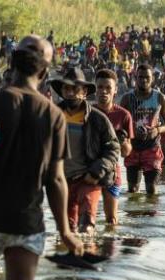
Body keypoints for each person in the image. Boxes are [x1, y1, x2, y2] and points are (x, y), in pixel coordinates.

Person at [0, 35, 84, 280]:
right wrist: (65, 231)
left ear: (12, 63)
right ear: (44, 72)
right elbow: (56, 179)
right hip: (26, 221)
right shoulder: (54, 115)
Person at [52, 67, 121, 233]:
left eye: (75, 89)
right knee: (66, 230)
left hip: (88, 179)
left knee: (87, 226)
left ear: (84, 92)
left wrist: (97, 171)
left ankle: (90, 255)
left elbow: (113, 148)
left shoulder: (97, 119)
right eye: (66, 89)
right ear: (61, 91)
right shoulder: (51, 116)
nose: (70, 93)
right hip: (62, 181)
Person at [120, 63, 165, 195]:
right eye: (140, 77)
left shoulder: (160, 98)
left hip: (152, 148)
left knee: (151, 190)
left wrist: (158, 130)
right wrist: (129, 131)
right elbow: (121, 124)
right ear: (135, 78)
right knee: (132, 191)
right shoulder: (127, 99)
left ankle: (152, 215)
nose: (144, 80)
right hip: (133, 148)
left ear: (152, 79)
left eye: (147, 77)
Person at [93, 68, 134, 226]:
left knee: (111, 220)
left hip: (112, 171)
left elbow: (126, 153)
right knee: (87, 218)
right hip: (89, 170)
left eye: (108, 88)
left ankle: (110, 248)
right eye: (100, 87)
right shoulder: (87, 112)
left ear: (115, 90)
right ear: (95, 89)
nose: (104, 91)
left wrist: (122, 141)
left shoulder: (123, 115)